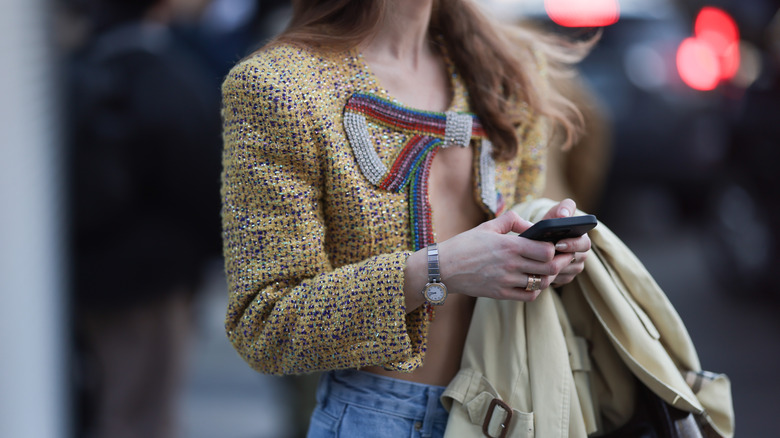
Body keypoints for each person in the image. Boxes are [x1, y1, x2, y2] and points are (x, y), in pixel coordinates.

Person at [220, 0, 592, 436]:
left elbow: (524, 233)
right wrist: (440, 269)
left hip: (514, 406)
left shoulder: (507, 68)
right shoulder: (277, 86)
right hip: (375, 417)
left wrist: (551, 257)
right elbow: (265, 326)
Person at [66, 0, 222, 436]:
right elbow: (202, 178)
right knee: (140, 408)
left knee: (117, 397)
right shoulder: (166, 77)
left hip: (90, 271)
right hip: (151, 281)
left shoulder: (83, 65)